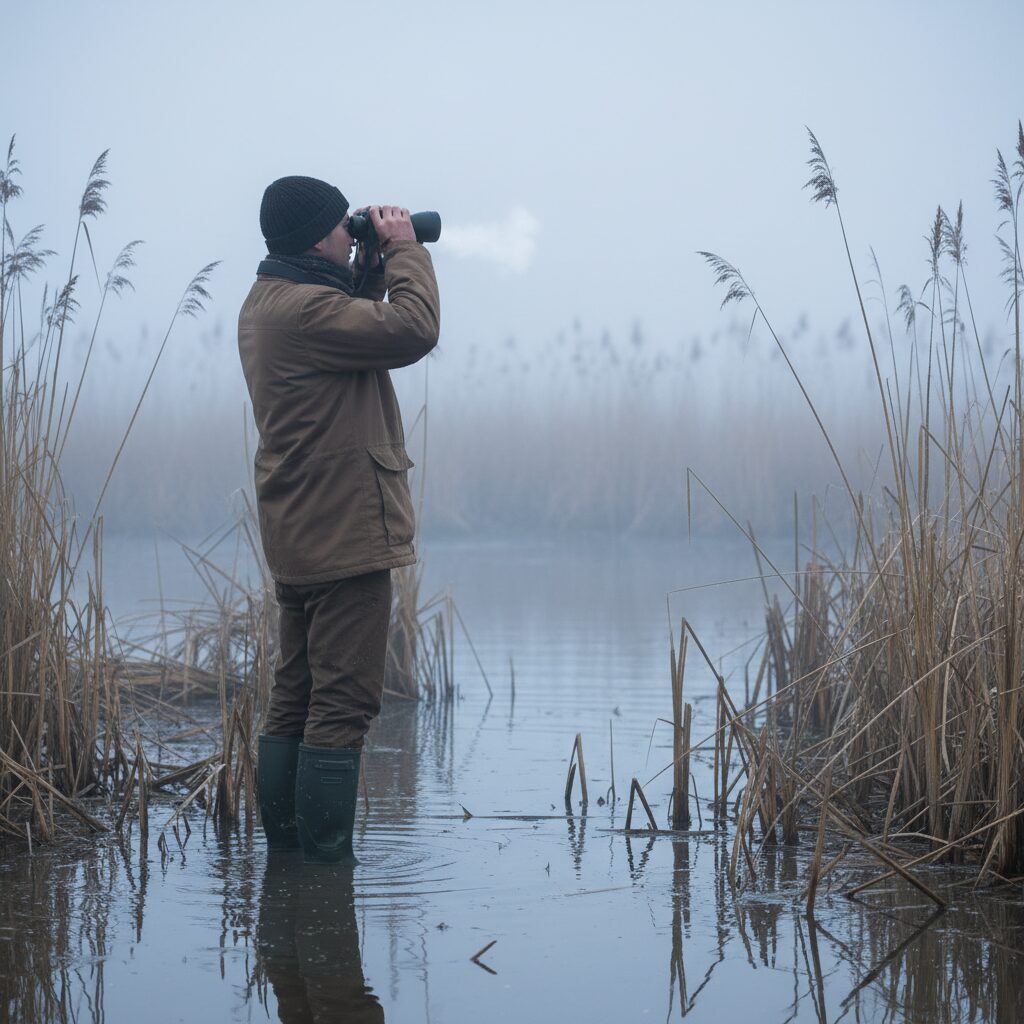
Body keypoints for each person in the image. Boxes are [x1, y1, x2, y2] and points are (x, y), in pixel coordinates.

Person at [238, 175, 440, 864]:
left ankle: (289, 858)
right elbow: (413, 330)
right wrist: (406, 250)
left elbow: (346, 333)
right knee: (343, 704)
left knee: (294, 697)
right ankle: (326, 867)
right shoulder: (306, 314)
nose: (347, 231)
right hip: (344, 534)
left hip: (300, 533)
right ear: (315, 238)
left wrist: (365, 268)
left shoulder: (269, 302)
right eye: (340, 226)